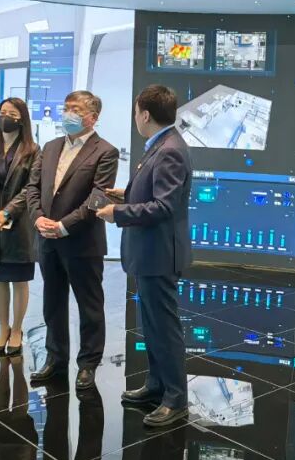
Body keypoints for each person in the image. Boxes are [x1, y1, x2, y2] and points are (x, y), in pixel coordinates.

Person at [96, 85, 192, 428]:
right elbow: (155, 193)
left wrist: (118, 212)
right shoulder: (161, 146)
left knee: (164, 327)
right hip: (149, 252)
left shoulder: (170, 151)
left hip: (159, 253)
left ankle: (176, 399)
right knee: (151, 324)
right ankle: (156, 385)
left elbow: (164, 206)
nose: (135, 117)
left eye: (136, 112)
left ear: (145, 114)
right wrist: (127, 194)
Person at [25, 90, 119, 390]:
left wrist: (64, 226)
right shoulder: (50, 147)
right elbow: (32, 187)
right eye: (66, 107)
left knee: (89, 306)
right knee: (52, 303)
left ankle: (88, 364)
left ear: (93, 117)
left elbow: (98, 197)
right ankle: (55, 359)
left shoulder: (106, 151)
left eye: (75, 109)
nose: (67, 114)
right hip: (47, 239)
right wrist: (38, 218)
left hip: (81, 241)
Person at [0, 98, 39, 356]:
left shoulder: (33, 150)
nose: (5, 117)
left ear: (21, 119)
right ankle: (3, 328)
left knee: (19, 280)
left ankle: (17, 330)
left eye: (11, 113)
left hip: (18, 224)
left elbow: (31, 187)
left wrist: (7, 212)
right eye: (2, 112)